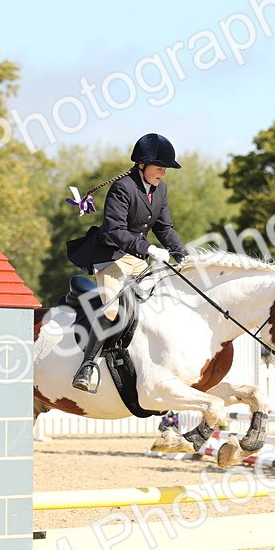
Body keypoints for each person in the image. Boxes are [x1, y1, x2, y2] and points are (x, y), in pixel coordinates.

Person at [65, 132, 188, 392]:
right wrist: (149, 248)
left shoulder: (160, 189)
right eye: (159, 168)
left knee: (161, 301)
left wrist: (184, 256)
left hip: (137, 257)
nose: (163, 173)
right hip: (110, 257)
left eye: (165, 169)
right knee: (111, 309)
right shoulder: (122, 188)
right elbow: (114, 230)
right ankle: (87, 366)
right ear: (141, 165)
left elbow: (165, 228)